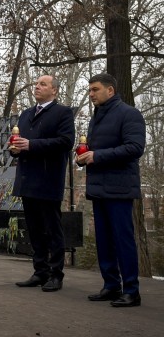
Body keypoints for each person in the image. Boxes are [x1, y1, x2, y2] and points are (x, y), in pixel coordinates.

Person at [75, 73, 146, 307]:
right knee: (104, 240)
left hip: (120, 188)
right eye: (90, 90)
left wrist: (97, 156)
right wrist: (83, 156)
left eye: (95, 89)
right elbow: (97, 150)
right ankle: (111, 286)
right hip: (99, 187)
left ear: (110, 91)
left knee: (122, 240)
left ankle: (131, 290)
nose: (91, 94)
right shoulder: (97, 117)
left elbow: (135, 148)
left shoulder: (130, 114)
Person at [10, 75, 75, 292]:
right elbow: (19, 143)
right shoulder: (27, 114)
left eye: (43, 84)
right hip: (28, 178)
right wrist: (15, 149)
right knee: (35, 229)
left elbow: (66, 142)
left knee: (51, 229)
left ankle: (56, 274)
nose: (37, 87)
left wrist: (31, 145)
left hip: (48, 179)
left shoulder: (62, 113)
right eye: (36, 84)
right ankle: (40, 271)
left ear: (54, 91)